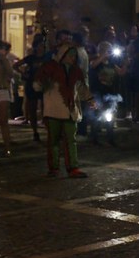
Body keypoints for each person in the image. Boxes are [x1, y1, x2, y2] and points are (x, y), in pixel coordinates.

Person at [34, 42, 95, 178]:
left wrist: (90, 99)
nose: (73, 58)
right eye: (70, 55)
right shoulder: (49, 68)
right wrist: (42, 81)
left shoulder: (75, 71)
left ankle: (73, 168)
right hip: (53, 110)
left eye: (74, 55)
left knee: (70, 140)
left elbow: (80, 88)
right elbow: (37, 86)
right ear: (63, 55)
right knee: (53, 141)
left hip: (69, 110)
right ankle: (54, 168)